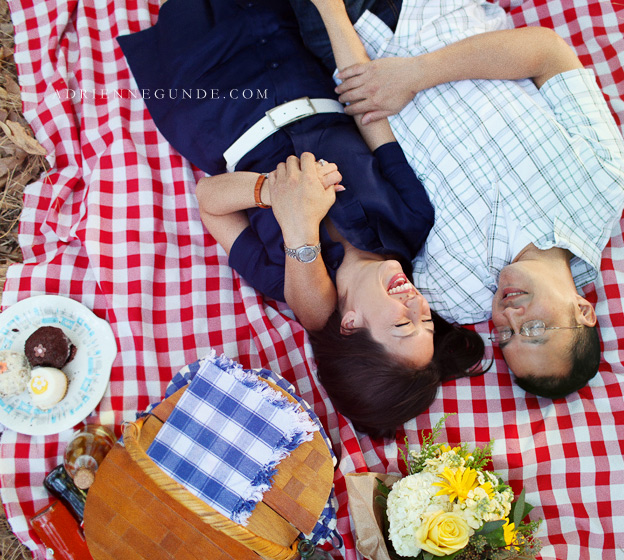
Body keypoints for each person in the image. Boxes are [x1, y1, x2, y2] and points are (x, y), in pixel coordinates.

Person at [116, 0, 485, 437]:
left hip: (211, 96)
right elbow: (370, 116)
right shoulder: (412, 220)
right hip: (292, 59)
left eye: (404, 322)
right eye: (426, 319)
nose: (418, 304)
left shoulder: (282, 279)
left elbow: (209, 199)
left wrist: (275, 193)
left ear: (351, 326)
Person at [306, 0, 624, 398]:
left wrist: (339, 29)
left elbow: (352, 281)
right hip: (434, 12)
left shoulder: (451, 294)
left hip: (346, 51)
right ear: (582, 311)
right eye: (533, 329)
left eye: (504, 334)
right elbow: (549, 53)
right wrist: (417, 74)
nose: (510, 315)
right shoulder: (605, 182)